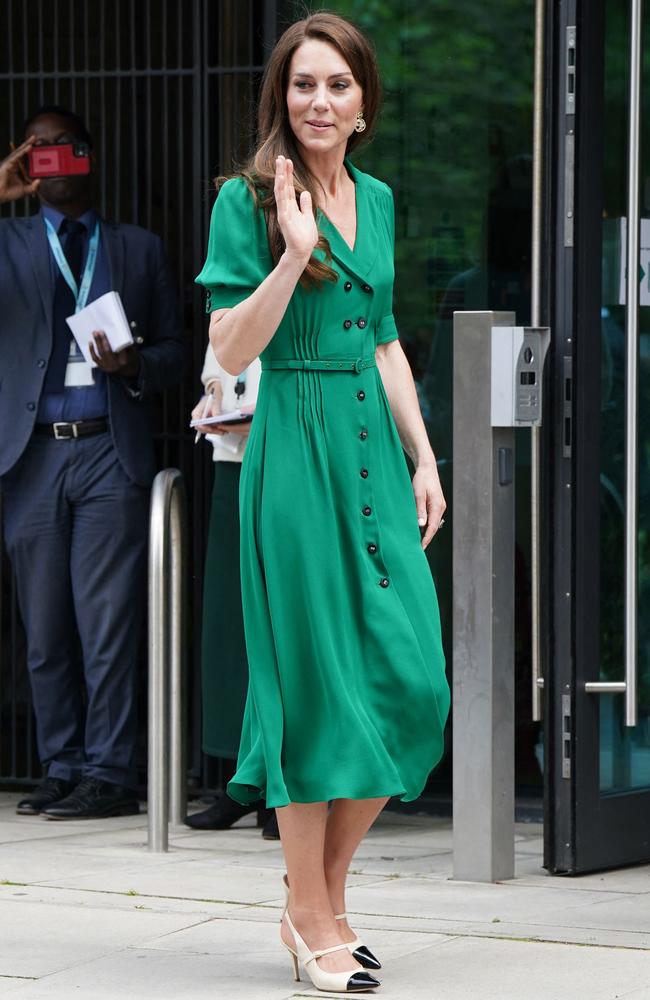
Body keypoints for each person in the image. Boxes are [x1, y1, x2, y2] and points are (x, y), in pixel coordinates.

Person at [195, 12, 450, 993]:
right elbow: (227, 349)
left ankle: (319, 900)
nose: (317, 102)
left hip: (371, 453)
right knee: (309, 687)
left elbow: (382, 336)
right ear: (281, 96)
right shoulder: (246, 199)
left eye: (335, 85)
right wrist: (291, 255)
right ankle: (315, 915)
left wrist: (422, 454)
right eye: (301, 85)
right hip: (291, 447)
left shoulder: (376, 199)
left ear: (362, 103)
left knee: (412, 678)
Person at [0, 106, 184, 820]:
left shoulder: (136, 248)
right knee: (44, 627)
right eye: (34, 150)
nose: (47, 159)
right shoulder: (10, 240)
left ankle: (111, 770)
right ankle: (61, 762)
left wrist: (138, 362)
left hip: (109, 446)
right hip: (31, 454)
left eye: (60, 148)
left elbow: (177, 349)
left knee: (106, 621)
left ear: (88, 155)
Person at [185, 348, 279, 839]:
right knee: (233, 626)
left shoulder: (296, 274)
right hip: (231, 463)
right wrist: (210, 397)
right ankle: (244, 783)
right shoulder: (228, 283)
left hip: (287, 461)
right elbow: (218, 364)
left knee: (283, 630)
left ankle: (284, 788)